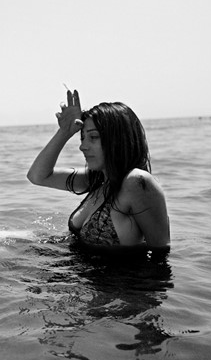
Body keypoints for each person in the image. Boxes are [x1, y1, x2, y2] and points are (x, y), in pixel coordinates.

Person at [27, 89, 169, 250]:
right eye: (82, 138)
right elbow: (37, 176)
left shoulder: (136, 182)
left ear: (117, 139)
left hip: (114, 274)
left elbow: (161, 252)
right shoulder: (96, 180)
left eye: (93, 137)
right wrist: (64, 132)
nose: (82, 146)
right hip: (74, 270)